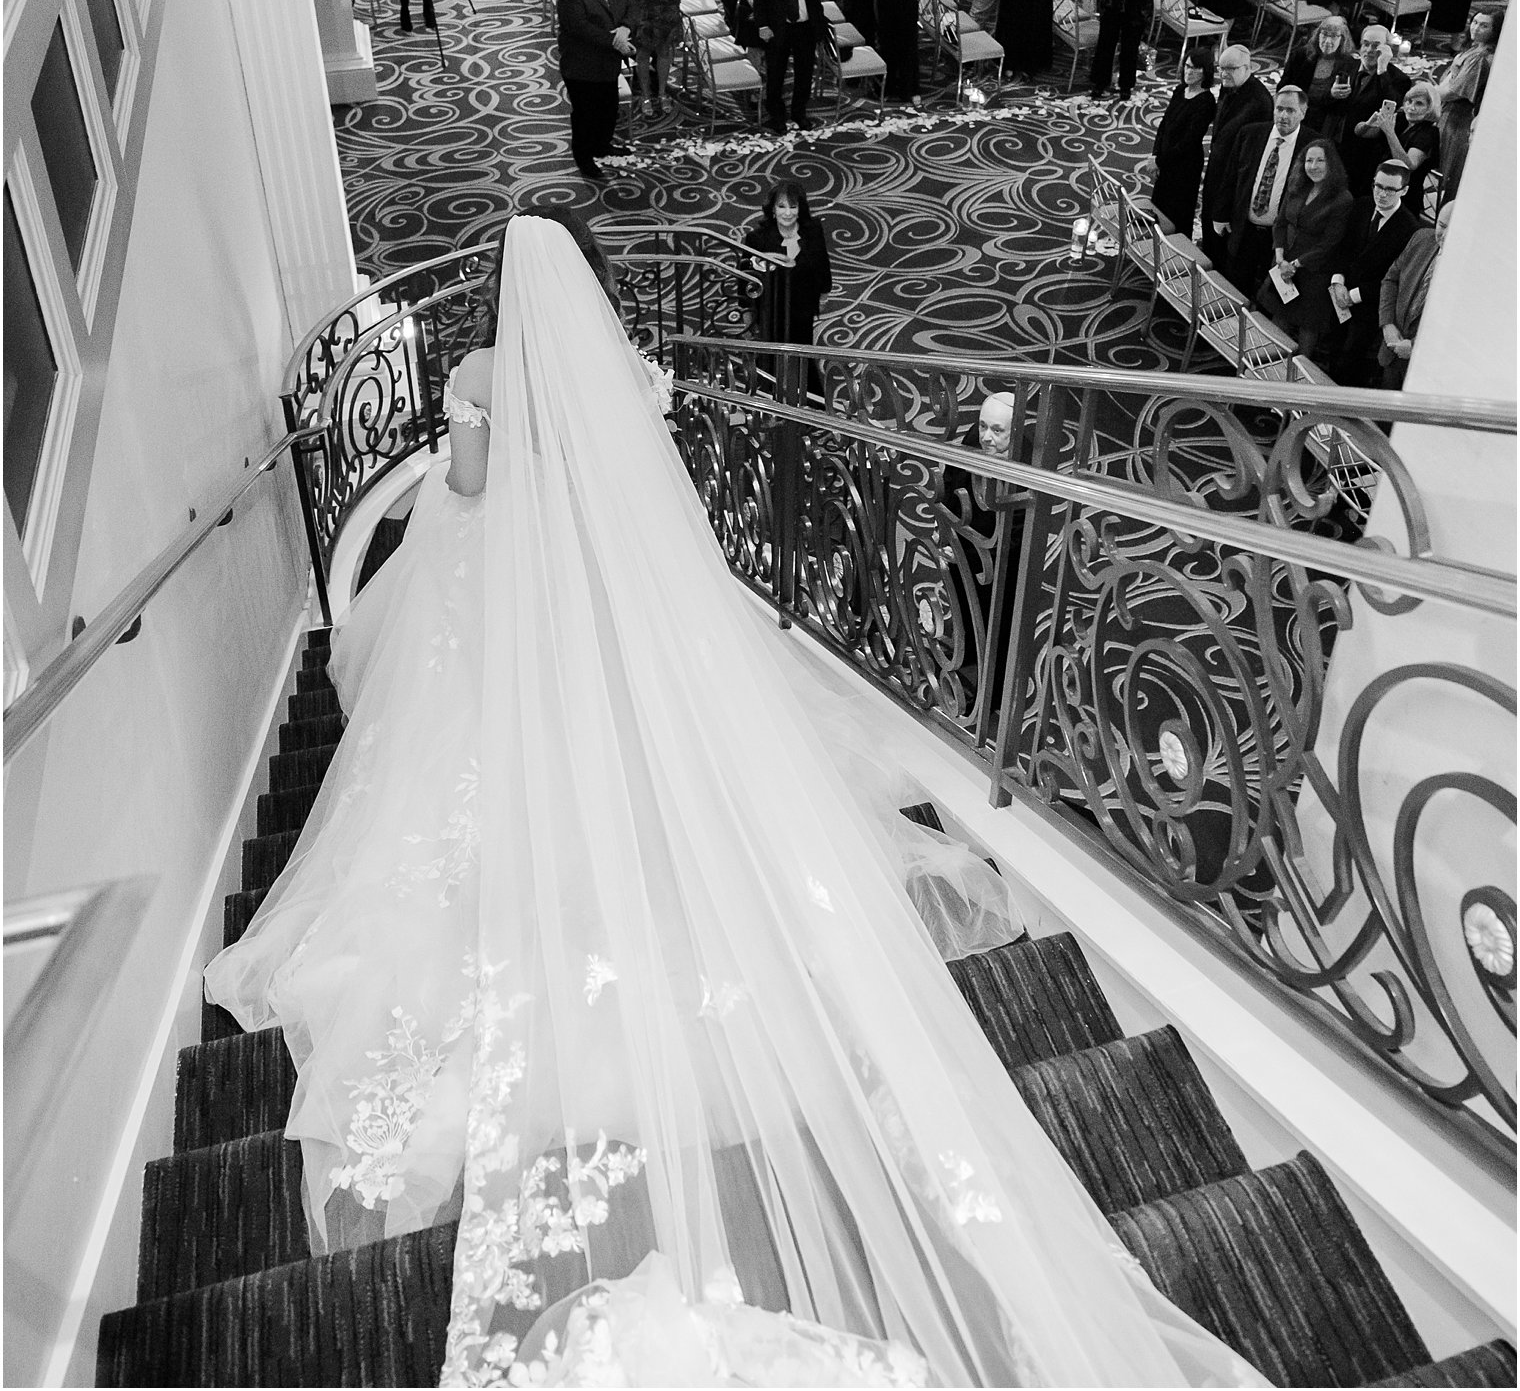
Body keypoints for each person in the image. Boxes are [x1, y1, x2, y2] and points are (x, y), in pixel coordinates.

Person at [203, 215, 1256, 1387]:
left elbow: (466, 488)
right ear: (594, 281)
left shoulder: (472, 374)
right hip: (620, 612)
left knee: (498, 768)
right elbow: (646, 486)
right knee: (652, 769)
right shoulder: (622, 357)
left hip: (528, 614)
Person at [940, 392, 1027, 735]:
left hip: (1004, 560)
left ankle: (994, 696)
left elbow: (1024, 528)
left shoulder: (1029, 462)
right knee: (964, 607)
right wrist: (947, 534)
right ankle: (967, 660)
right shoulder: (972, 443)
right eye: (983, 427)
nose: (987, 438)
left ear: (1014, 429)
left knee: (1000, 622)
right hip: (966, 546)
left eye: (997, 431)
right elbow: (949, 488)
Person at [1256, 136, 1353, 358]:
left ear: (1331, 164)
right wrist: (1280, 258)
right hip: (1284, 263)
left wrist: (1295, 264)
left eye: (1320, 161)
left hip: (1313, 270)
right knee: (1278, 317)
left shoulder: (1342, 199)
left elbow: (1329, 244)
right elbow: (1280, 223)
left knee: (1307, 328)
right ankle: (1267, 367)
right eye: (1309, 161)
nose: (1313, 166)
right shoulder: (1298, 185)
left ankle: (1297, 380)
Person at [1325, 160, 1420, 386]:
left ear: (1404, 190)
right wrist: (1338, 282)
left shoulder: (1409, 228)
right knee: (1332, 347)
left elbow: (1394, 277)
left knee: (1351, 358)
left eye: (1390, 189)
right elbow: (1344, 246)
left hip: (1370, 305)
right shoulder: (1362, 206)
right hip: (1340, 294)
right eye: (1378, 186)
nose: (1382, 194)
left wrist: (1354, 295)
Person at [555, 0, 633, 180]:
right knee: (585, 115)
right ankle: (584, 158)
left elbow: (632, 8)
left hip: (608, 63)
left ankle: (602, 145)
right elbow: (581, 29)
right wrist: (616, 41)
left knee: (607, 110)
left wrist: (626, 29)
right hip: (582, 66)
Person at [1223, 81, 1309, 297]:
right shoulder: (1250, 134)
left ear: (1303, 113)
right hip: (1244, 227)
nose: (1283, 115)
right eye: (1279, 109)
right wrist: (1220, 214)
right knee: (1234, 285)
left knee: (1266, 294)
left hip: (1278, 238)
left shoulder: (1313, 145)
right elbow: (1231, 176)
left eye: (1290, 110)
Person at [754, 0, 830, 132]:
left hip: (806, 26)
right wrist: (762, 25)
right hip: (779, 26)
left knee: (804, 71)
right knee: (776, 72)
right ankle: (777, 114)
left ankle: (799, 112)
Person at [1199, 45, 1273, 267]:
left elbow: (1250, 152)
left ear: (1248, 68)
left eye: (1230, 68)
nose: (1224, 74)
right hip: (1218, 164)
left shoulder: (1259, 102)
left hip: (1235, 175)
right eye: (1221, 68)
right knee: (1208, 215)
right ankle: (1208, 258)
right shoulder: (1229, 86)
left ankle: (1217, 269)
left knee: (1223, 224)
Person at [744, 178, 833, 347]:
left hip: (803, 306)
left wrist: (823, 297)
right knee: (772, 352)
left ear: (800, 209)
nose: (787, 213)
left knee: (801, 350)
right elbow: (745, 278)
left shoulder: (813, 230)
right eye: (781, 206)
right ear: (772, 209)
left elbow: (822, 263)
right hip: (770, 309)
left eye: (793, 207)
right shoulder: (757, 239)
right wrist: (746, 313)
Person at [1142, 51, 1216, 237]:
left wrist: (1160, 161)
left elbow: (1188, 142)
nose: (1189, 71)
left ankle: (1176, 255)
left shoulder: (1206, 102)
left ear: (1205, 72)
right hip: (1165, 157)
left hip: (1185, 166)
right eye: (1187, 66)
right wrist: (1155, 154)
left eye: (1195, 68)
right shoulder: (1180, 90)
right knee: (1158, 208)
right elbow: (1164, 125)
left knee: (1178, 213)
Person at [1379, 202, 1452, 387]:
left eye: (1453, 229)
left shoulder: (1471, 273)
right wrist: (1387, 324)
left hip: (1426, 371)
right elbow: (1390, 280)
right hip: (1393, 351)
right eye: (1441, 226)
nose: (1443, 235)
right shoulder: (1422, 237)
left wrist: (1416, 347)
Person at [1342, 24, 1413, 198]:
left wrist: (1382, 70)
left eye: (1376, 45)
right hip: (1339, 140)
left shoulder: (1399, 79)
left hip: (1365, 153)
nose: (1369, 50)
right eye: (1365, 44)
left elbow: (1392, 105)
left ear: (1387, 49)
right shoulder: (1347, 66)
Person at [1436, 9, 1498, 199]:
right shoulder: (1475, 48)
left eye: (1484, 25)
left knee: (1448, 169)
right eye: (1475, 22)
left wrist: (1432, 93)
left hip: (1458, 119)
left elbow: (1454, 91)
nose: (1476, 28)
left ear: (1494, 31)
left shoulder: (1480, 58)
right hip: (1450, 112)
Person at [1363, 75, 1442, 211]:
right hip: (1377, 185)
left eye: (1419, 104)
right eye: (1409, 101)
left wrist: (1389, 132)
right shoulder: (1400, 119)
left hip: (1402, 196)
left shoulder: (1429, 133)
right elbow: (1362, 133)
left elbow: (1408, 165)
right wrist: (1368, 123)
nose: (1411, 107)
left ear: (1430, 108)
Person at [1282, 14, 1358, 138]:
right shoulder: (1301, 56)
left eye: (1334, 36)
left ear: (1342, 39)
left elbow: (1343, 107)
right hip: (1297, 110)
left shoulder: (1349, 64)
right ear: (1318, 35)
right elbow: (1284, 85)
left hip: (1325, 118)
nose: (1327, 41)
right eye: (1324, 34)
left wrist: (1332, 96)